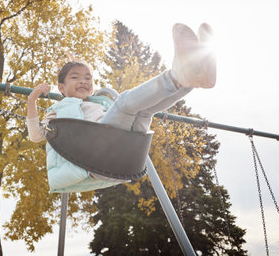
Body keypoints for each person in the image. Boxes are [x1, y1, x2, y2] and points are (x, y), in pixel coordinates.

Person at [26, 23, 216, 193]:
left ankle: (193, 80)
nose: (83, 80)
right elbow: (36, 135)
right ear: (61, 88)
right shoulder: (58, 111)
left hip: (124, 156)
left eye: (87, 77)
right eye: (75, 77)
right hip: (96, 158)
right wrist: (32, 99)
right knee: (124, 103)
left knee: (145, 110)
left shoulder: (98, 103)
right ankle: (178, 76)